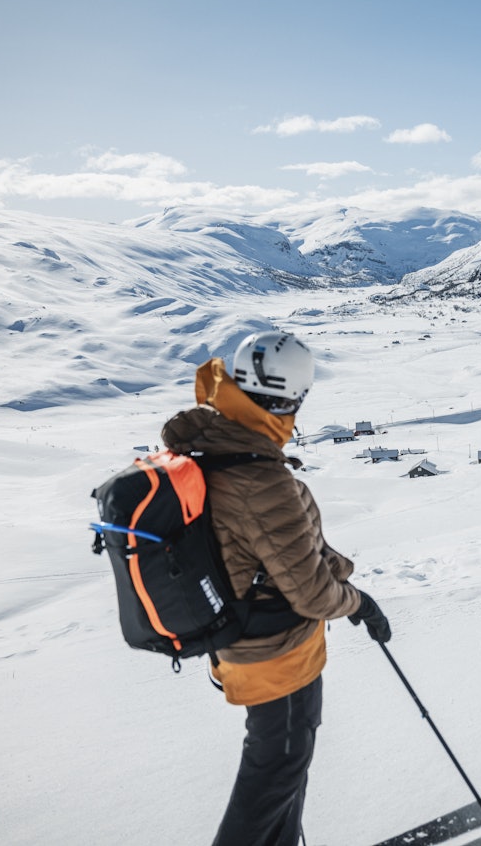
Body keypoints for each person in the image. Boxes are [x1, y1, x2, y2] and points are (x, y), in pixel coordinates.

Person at [160, 330, 391, 846]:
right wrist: (358, 602)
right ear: (292, 398)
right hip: (276, 652)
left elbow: (271, 548)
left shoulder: (217, 445)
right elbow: (309, 592)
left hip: (248, 639)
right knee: (276, 772)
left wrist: (339, 577)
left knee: (286, 766)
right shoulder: (257, 476)